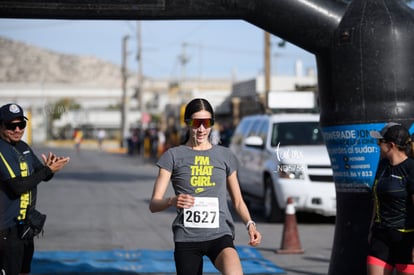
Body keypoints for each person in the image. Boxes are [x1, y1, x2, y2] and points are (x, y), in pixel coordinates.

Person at [149, 98, 262, 275]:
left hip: (220, 236)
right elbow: (154, 204)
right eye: (196, 123)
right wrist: (172, 200)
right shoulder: (172, 156)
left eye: (207, 123)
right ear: (187, 123)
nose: (202, 129)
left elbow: (238, 201)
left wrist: (250, 224)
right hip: (187, 239)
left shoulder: (225, 155)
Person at [0, 103, 70, 275]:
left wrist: (50, 168)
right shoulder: (1, 150)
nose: (17, 130)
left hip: (25, 228)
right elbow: (18, 186)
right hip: (6, 233)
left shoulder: (23, 148)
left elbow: (43, 175)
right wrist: (46, 171)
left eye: (21, 125)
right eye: (11, 126)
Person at [368, 122, 414, 275]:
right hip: (381, 236)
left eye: (380, 141)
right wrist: (371, 229)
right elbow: (377, 199)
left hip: (406, 239)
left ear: (391, 145)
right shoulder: (382, 166)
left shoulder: (411, 169)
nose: (378, 144)